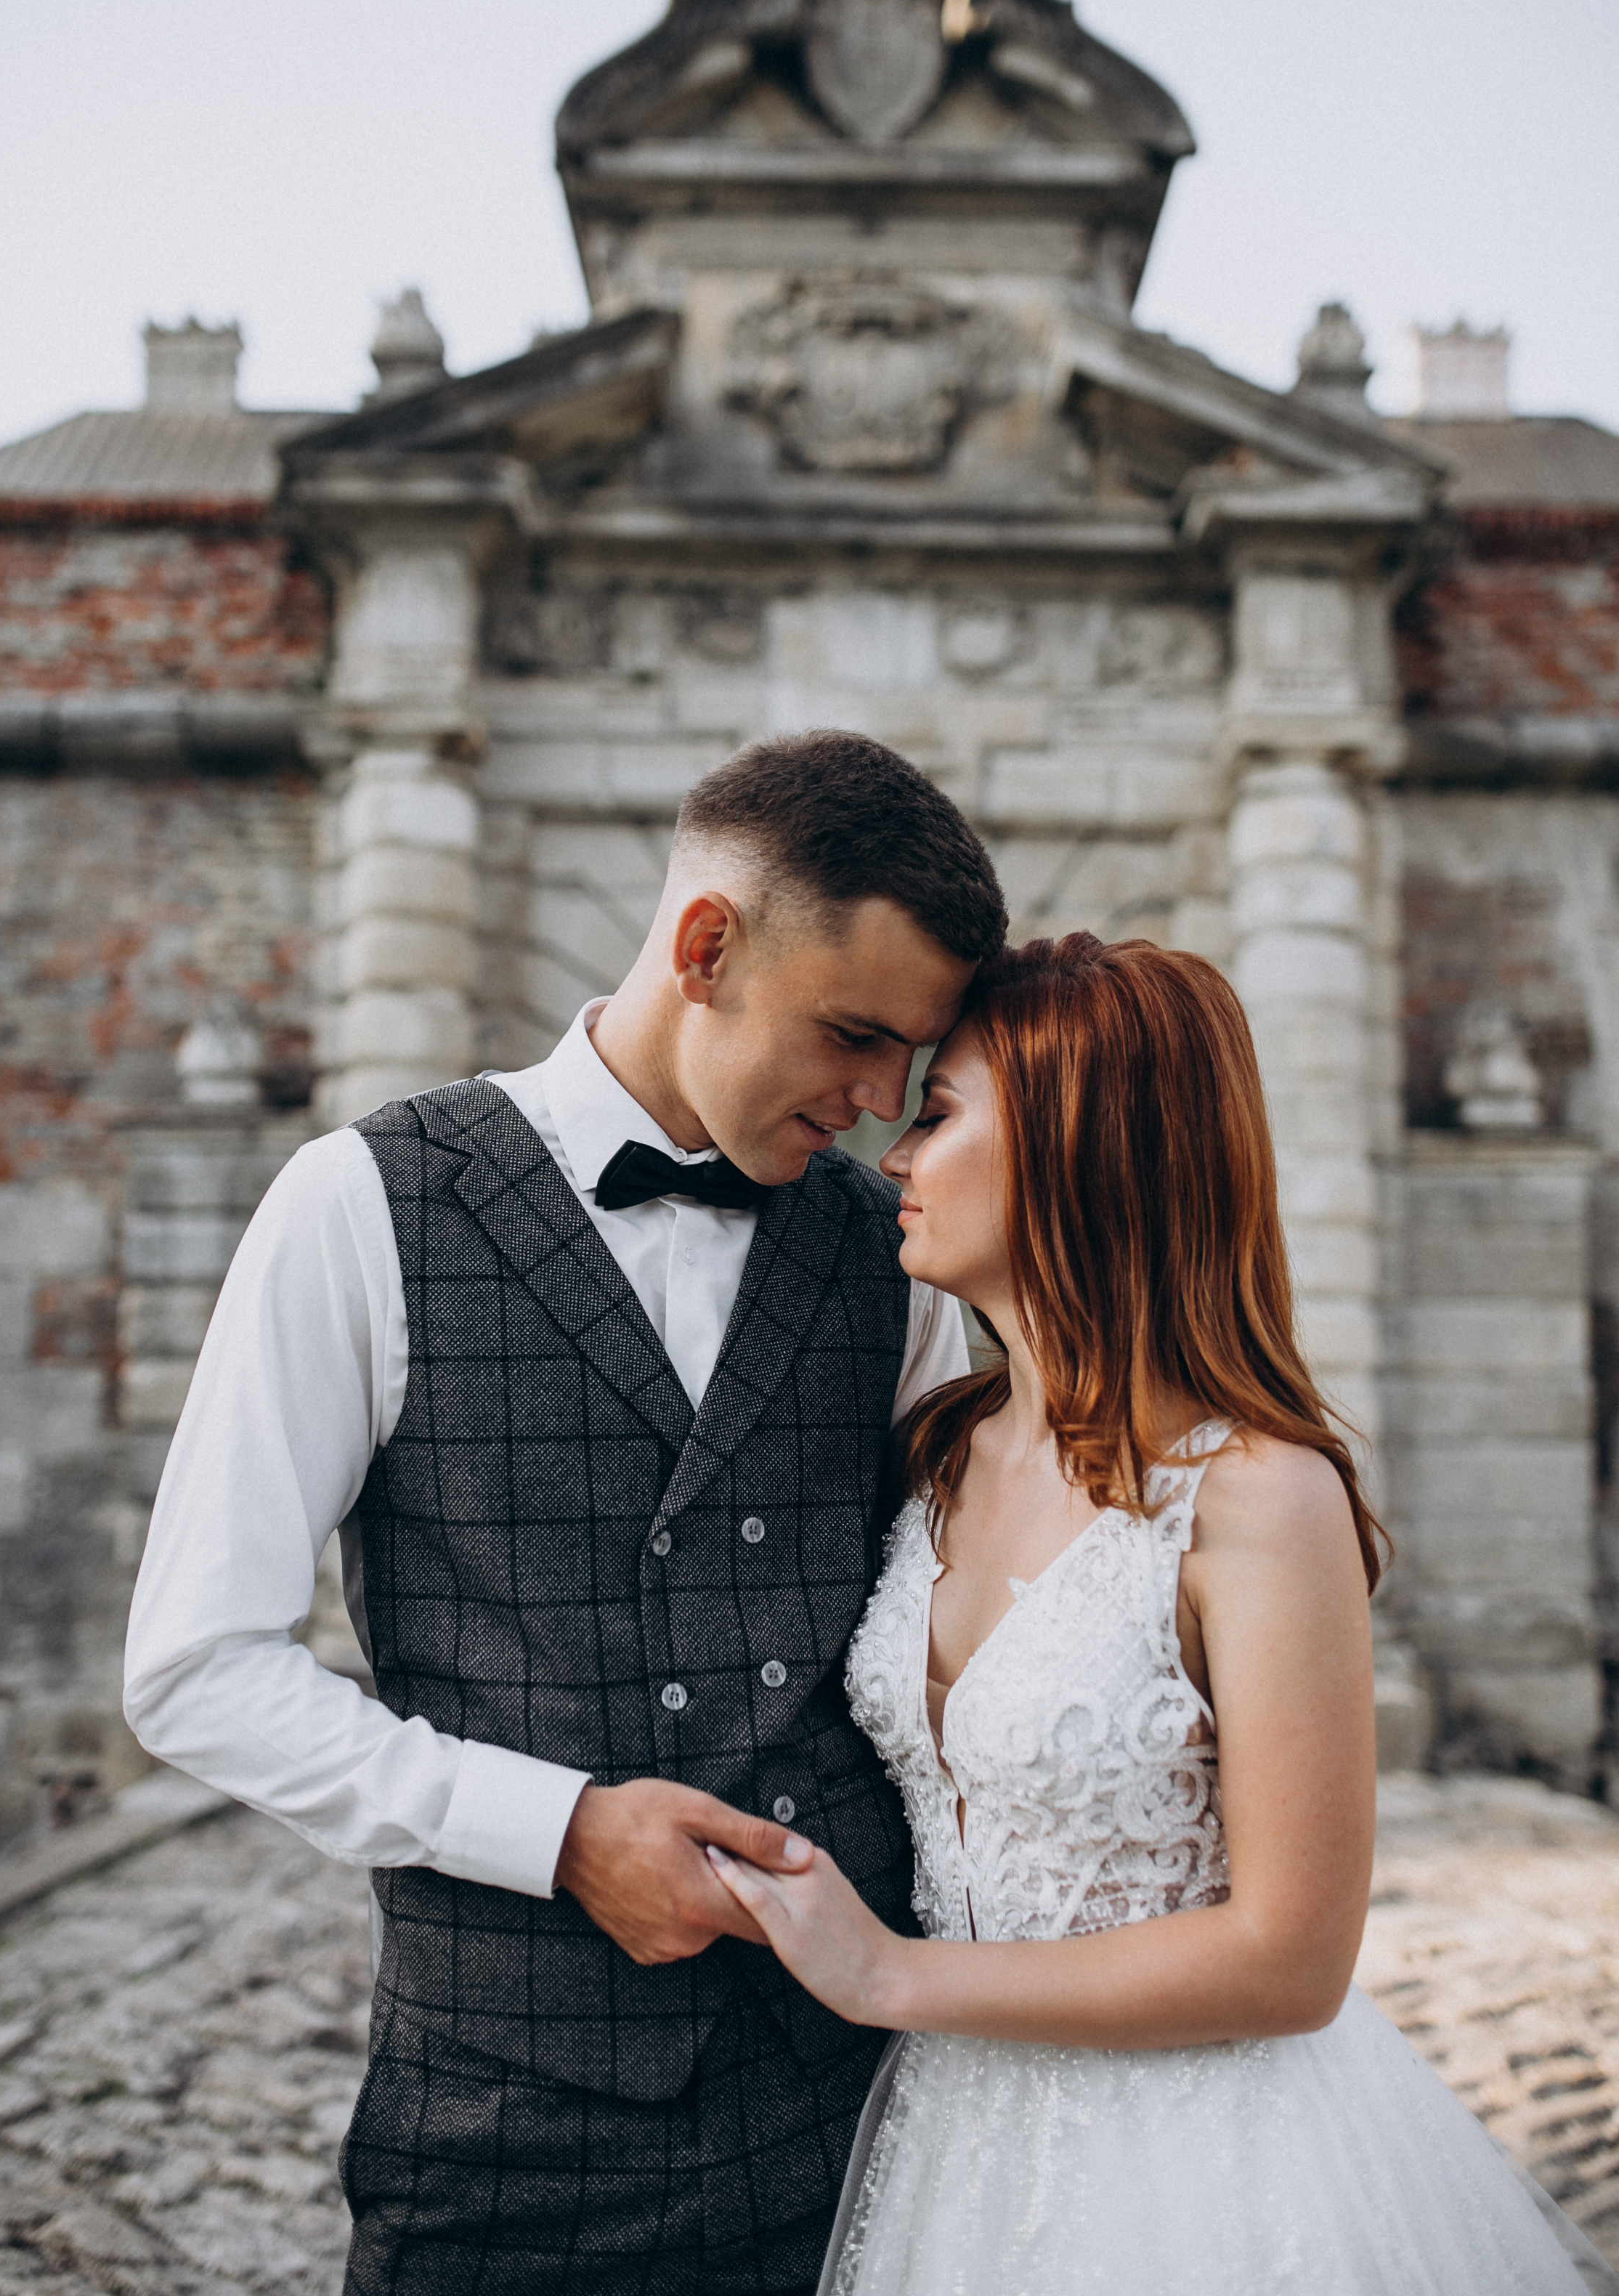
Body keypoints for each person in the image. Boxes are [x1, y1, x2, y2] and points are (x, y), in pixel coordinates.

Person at [123, 729, 1009, 2296]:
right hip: (499, 2134)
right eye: (855, 1034)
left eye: (911, 1062)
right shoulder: (356, 1204)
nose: (881, 1104)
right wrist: (555, 1833)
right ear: (706, 946)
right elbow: (196, 1666)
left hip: (860, 2122)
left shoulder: (901, 1258)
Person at [708, 932, 1614, 2296]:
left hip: (1202, 2169)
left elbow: (1292, 1959)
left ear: (1080, 1147)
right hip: (954, 2145)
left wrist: (891, 1977)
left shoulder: (1257, 1497)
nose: (891, 1155)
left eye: (940, 1116)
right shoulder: (937, 1451)